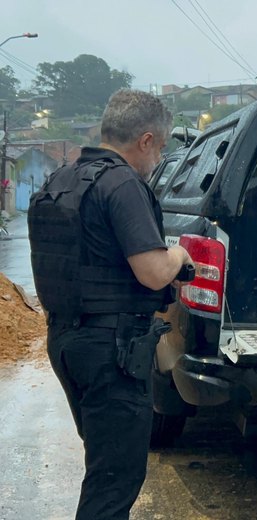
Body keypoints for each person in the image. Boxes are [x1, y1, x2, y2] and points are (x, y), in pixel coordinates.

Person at [28, 89, 193, 520]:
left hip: (67, 341)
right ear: (145, 140)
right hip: (111, 352)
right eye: (160, 147)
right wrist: (178, 255)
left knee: (103, 463)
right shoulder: (122, 184)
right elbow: (153, 271)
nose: (158, 159)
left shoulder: (60, 180)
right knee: (114, 480)